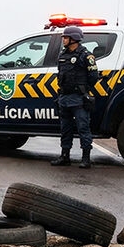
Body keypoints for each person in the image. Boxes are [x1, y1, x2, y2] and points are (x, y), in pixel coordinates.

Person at [51, 26, 99, 168]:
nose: (63, 40)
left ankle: (86, 159)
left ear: (73, 39)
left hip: (79, 98)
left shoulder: (86, 56)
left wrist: (83, 90)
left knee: (83, 128)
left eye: (65, 37)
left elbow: (93, 77)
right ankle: (65, 156)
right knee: (65, 129)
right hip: (64, 98)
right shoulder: (63, 55)